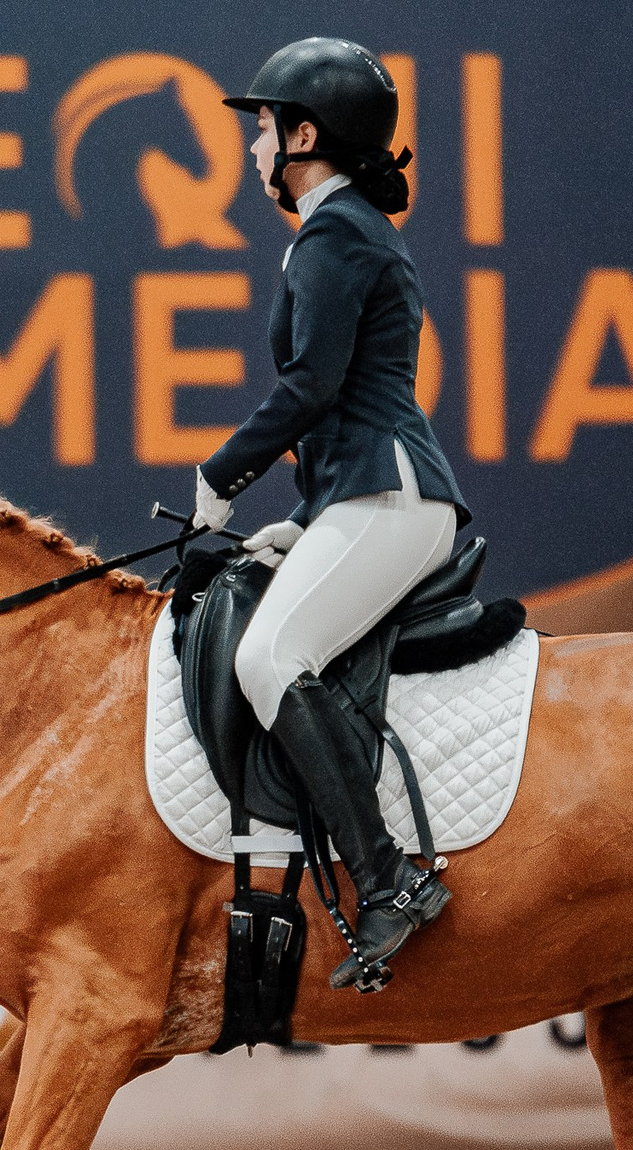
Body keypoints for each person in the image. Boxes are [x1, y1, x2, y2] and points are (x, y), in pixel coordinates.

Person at [192, 37, 469, 994]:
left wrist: (224, 474)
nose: (252, 148)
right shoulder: (339, 230)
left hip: (392, 490)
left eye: (263, 128)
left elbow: (312, 386)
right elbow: (345, 391)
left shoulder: (335, 234)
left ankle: (390, 877)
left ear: (305, 135)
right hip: (367, 489)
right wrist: (306, 523)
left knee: (267, 657)